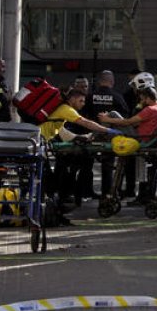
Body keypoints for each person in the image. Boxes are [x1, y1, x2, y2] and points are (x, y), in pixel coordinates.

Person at [41, 87, 122, 224]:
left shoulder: (60, 111)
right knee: (49, 181)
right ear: (72, 99)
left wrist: (82, 137)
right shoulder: (66, 109)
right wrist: (108, 130)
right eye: (81, 100)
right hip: (39, 145)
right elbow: (86, 122)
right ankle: (51, 213)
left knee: (49, 181)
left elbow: (63, 133)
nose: (83, 104)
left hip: (41, 145)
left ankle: (54, 213)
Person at [100, 77, 157, 204]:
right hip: (143, 137)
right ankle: (102, 131)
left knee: (112, 114)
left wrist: (108, 120)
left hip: (138, 137)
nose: (141, 100)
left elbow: (128, 122)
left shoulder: (149, 109)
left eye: (142, 98)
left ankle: (99, 133)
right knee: (113, 116)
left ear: (147, 97)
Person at [85, 71, 130, 199]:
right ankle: (107, 192)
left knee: (87, 165)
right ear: (112, 81)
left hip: (91, 135)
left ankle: (86, 192)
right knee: (108, 164)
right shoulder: (117, 97)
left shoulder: (90, 97)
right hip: (110, 136)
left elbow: (83, 114)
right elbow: (124, 117)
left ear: (99, 81)